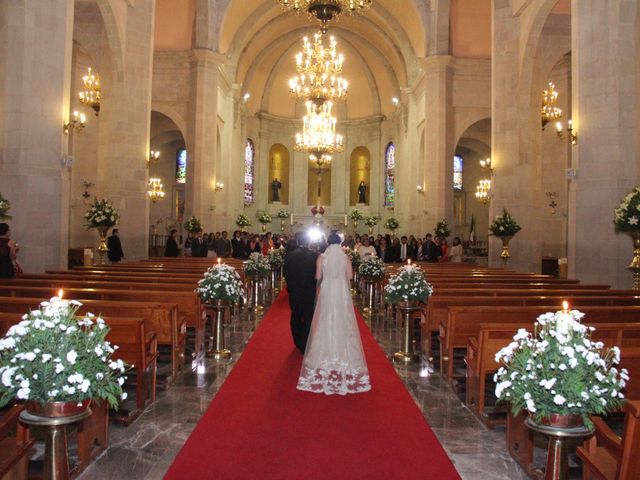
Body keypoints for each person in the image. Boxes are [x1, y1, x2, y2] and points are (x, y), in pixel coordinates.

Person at [297, 232, 371, 395]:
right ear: (340, 243)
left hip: (327, 291)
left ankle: (325, 352)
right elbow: (350, 276)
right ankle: (344, 353)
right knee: (343, 320)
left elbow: (318, 276)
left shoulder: (322, 257)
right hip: (341, 292)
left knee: (325, 319)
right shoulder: (345, 258)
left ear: (328, 244)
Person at [284, 232, 319, 353]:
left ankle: (297, 341)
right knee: (308, 316)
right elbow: (318, 275)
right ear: (309, 242)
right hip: (309, 290)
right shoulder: (315, 256)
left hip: (295, 290)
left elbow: (286, 274)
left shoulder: (290, 255)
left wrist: (291, 285)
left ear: (298, 241)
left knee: (295, 315)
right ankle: (305, 343)